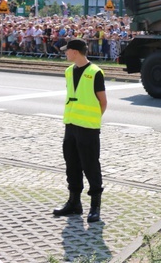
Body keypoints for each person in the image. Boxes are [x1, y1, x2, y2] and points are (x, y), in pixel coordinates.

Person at [53, 38, 107, 223]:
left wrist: (92, 120)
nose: (65, 53)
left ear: (75, 52)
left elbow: (103, 102)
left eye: (67, 51)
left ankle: (95, 206)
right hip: (71, 126)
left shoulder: (95, 72)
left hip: (88, 129)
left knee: (91, 166)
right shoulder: (69, 71)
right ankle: (74, 203)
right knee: (72, 165)